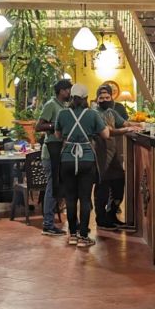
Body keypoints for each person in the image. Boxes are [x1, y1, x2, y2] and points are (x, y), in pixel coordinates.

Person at [55, 83, 110, 248]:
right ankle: (84, 237)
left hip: (67, 158)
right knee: (85, 199)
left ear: (71, 97)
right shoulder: (92, 114)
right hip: (86, 158)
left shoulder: (62, 113)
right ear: (86, 98)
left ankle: (72, 235)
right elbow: (105, 134)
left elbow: (58, 135)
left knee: (70, 198)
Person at [93, 83, 140, 229]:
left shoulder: (111, 112)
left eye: (107, 97)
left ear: (111, 98)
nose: (104, 100)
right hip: (100, 154)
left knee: (119, 182)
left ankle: (111, 215)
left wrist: (140, 125)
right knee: (102, 187)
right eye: (101, 98)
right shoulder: (94, 113)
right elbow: (109, 131)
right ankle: (101, 219)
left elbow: (124, 122)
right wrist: (126, 129)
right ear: (97, 99)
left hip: (113, 154)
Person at [36, 78, 72, 236]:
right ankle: (48, 224)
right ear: (61, 91)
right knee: (52, 186)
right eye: (68, 89)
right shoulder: (51, 105)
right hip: (51, 152)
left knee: (58, 187)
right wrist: (55, 126)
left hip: (60, 151)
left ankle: (53, 221)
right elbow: (39, 126)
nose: (69, 92)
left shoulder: (63, 106)